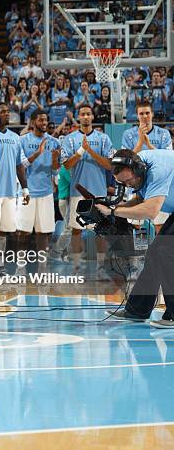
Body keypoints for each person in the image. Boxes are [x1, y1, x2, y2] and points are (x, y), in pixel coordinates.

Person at [97, 149, 174, 328]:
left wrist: (114, 211)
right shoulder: (139, 164)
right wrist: (115, 208)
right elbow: (140, 198)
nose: (129, 186)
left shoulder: (159, 169)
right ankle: (137, 310)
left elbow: (150, 210)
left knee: (164, 252)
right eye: (123, 183)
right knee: (155, 253)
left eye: (129, 181)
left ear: (139, 170)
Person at [61, 104, 113, 277]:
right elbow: (66, 164)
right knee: (77, 230)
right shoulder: (69, 139)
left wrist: (90, 150)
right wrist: (81, 150)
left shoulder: (104, 138)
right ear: (78, 116)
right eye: (82, 114)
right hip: (78, 193)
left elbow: (109, 165)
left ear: (92, 117)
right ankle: (77, 268)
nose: (85, 116)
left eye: (88, 114)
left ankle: (100, 268)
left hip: (99, 192)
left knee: (100, 231)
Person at [0, 103, 29, 276]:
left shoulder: (15, 138)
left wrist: (25, 188)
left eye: (7, 112)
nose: (6, 114)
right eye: (2, 112)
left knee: (4, 230)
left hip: (11, 191)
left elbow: (19, 165)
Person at [122, 100, 172, 232]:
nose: (144, 116)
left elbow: (168, 160)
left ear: (152, 114)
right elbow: (124, 163)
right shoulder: (128, 134)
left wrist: (149, 145)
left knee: (160, 224)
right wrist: (139, 142)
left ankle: (160, 251)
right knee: (136, 224)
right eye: (141, 113)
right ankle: (140, 252)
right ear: (137, 115)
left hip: (158, 184)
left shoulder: (164, 134)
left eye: (147, 113)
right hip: (136, 185)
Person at [18, 110, 60, 253]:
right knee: (23, 232)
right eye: (41, 120)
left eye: (46, 120)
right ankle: (21, 268)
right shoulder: (22, 140)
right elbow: (20, 166)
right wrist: (38, 153)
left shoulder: (54, 142)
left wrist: (55, 161)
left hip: (46, 192)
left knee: (44, 232)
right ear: (33, 121)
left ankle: (43, 267)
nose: (44, 123)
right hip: (26, 192)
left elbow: (55, 171)